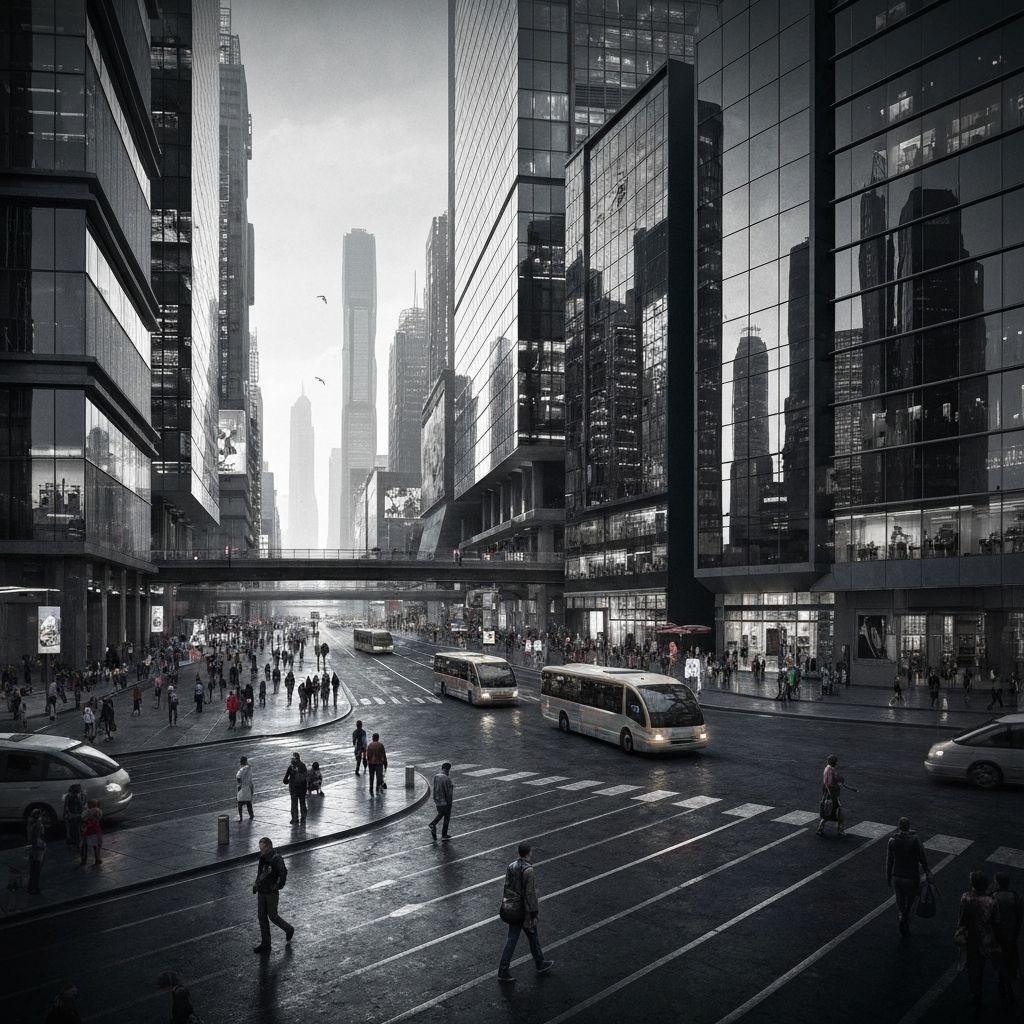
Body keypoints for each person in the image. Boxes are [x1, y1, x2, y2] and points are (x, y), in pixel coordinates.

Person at [497, 843, 554, 983]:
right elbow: (530, 894)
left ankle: (539, 962)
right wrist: (534, 913)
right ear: (529, 853)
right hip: (523, 911)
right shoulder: (528, 870)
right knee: (521, 937)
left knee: (530, 936)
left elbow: (507, 886)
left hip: (512, 908)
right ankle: (504, 970)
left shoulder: (511, 866)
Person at [956, 870, 1001, 1014]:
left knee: (973, 968)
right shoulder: (991, 901)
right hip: (986, 937)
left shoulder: (965, 898)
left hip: (971, 937)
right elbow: (996, 921)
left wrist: (959, 932)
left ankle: (976, 992)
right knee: (987, 963)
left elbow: (962, 919)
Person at [886, 817, 931, 935]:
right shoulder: (915, 840)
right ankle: (906, 918)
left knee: (900, 900)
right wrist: (927, 871)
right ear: (909, 826)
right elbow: (922, 857)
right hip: (911, 876)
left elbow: (889, 861)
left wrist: (888, 877)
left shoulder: (892, 840)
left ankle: (901, 916)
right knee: (910, 902)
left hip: (897, 876)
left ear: (899, 826)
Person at [252, 836, 294, 953]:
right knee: (261, 916)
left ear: (269, 847)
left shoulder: (277, 858)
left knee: (273, 916)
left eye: (263, 849)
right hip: (262, 891)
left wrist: (278, 885)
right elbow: (260, 872)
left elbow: (283, 873)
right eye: (260, 848)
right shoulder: (263, 857)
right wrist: (256, 884)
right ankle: (266, 943)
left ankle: (289, 929)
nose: (262, 851)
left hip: (271, 893)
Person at [989, 871, 1023, 1006]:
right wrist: (1016, 933)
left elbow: (991, 919)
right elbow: (1019, 917)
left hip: (998, 935)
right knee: (1009, 960)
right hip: (1011, 935)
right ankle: (1007, 984)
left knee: (999, 960)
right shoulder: (1014, 896)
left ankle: (1004, 984)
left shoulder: (993, 897)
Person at [816, 754, 846, 837]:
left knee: (829, 812)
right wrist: (832, 795)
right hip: (831, 794)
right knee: (836, 812)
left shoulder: (828, 768)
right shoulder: (830, 770)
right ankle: (840, 831)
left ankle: (821, 829)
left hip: (829, 793)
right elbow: (830, 784)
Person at [428, 762, 454, 840]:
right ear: (448, 769)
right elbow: (449, 793)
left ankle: (434, 826)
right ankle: (443, 833)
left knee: (440, 814)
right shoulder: (447, 779)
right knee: (447, 817)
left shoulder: (436, 776)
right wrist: (449, 803)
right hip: (445, 802)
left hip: (437, 800)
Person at [283, 752, 308, 824]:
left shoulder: (291, 767)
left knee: (294, 804)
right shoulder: (303, 766)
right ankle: (303, 818)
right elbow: (305, 777)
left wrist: (288, 781)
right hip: (302, 789)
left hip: (293, 789)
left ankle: (295, 818)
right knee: (302, 803)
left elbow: (285, 780)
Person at [27, 807, 46, 894]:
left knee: (32, 869)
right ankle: (35, 887)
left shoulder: (30, 824)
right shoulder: (38, 825)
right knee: (37, 869)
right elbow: (40, 835)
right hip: (38, 848)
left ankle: (30, 887)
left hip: (32, 848)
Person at [63, 783, 85, 856]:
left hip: (75, 815)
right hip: (74, 815)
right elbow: (66, 806)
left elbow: (66, 806)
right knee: (75, 830)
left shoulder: (76, 796)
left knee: (76, 830)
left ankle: (76, 844)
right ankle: (76, 844)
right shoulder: (70, 796)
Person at [80, 800, 103, 865]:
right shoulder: (98, 811)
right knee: (96, 845)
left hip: (87, 830)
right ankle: (97, 859)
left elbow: (82, 817)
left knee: (84, 845)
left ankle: (83, 860)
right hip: (95, 830)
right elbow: (100, 816)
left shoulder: (86, 812)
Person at [236, 755, 254, 821]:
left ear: (241, 762)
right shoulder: (249, 768)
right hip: (248, 787)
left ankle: (241, 817)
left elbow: (238, 776)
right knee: (249, 803)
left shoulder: (241, 770)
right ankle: (251, 815)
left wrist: (239, 784)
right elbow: (251, 780)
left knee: (240, 803)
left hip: (242, 787)